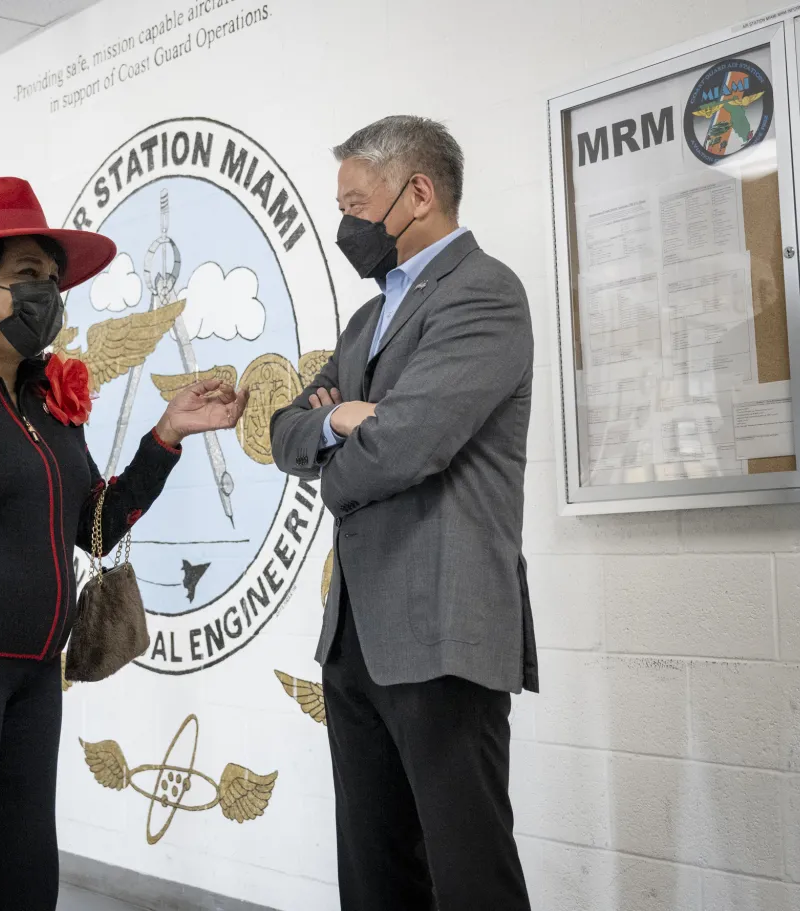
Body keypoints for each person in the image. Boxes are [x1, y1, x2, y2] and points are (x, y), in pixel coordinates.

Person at [0, 177, 248, 911]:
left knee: (23, 885)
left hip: (35, 683)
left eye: (53, 280)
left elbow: (95, 524)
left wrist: (167, 434)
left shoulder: (47, 401)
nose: (48, 295)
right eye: (27, 277)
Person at [270, 116, 538, 910]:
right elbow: (286, 429)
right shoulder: (367, 318)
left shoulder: (485, 293)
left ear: (418, 193)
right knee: (374, 873)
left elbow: (406, 445)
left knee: (469, 872)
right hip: (355, 639)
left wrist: (342, 452)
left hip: (442, 633)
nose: (346, 223)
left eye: (356, 202)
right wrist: (334, 419)